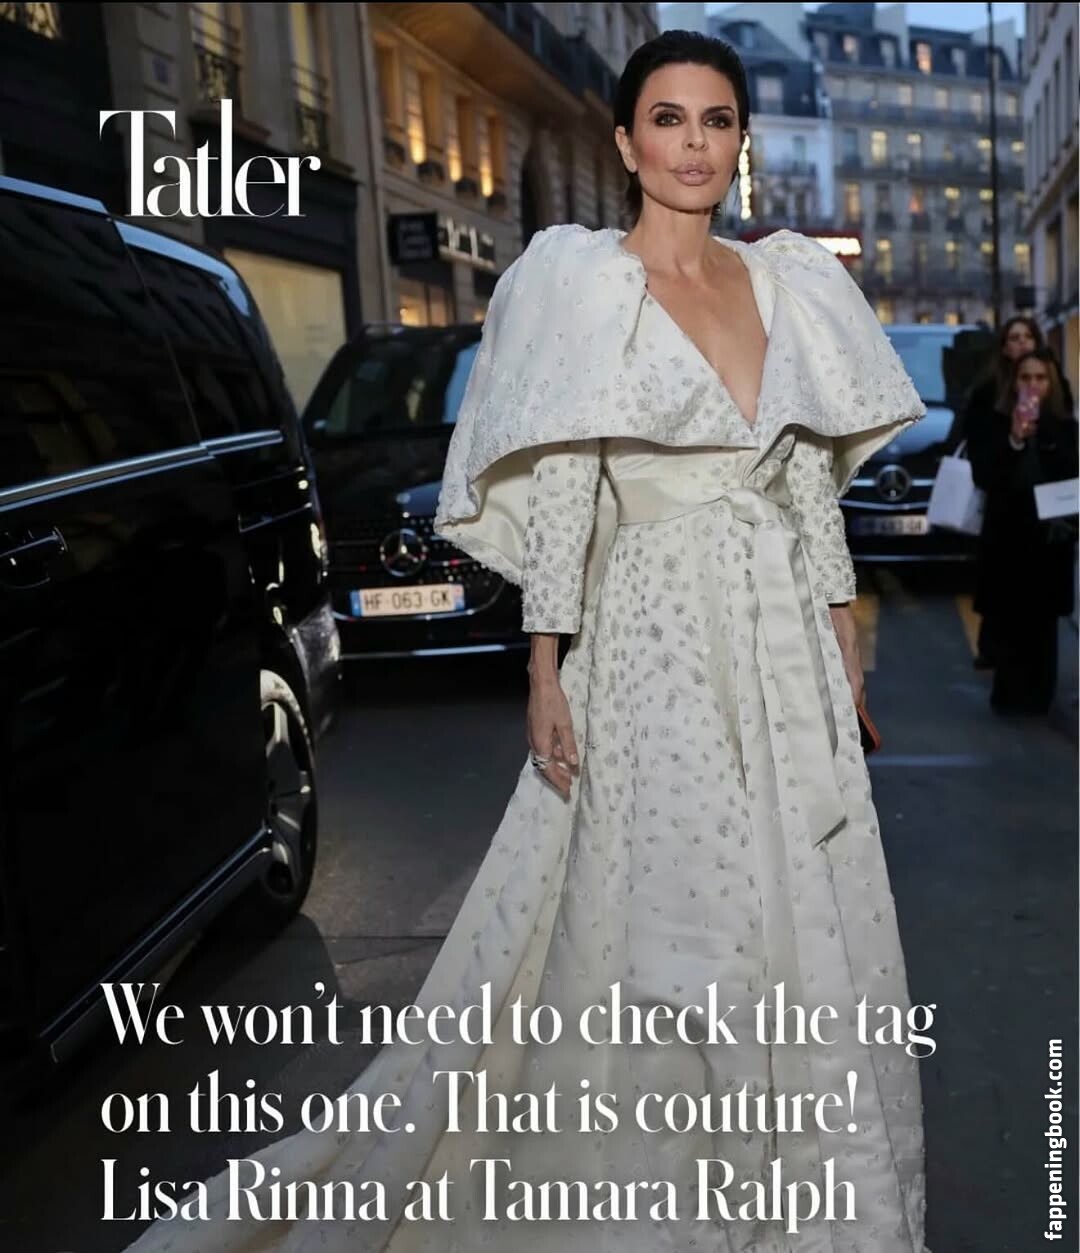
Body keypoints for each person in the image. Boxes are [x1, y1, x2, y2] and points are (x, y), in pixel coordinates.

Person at [123, 31, 931, 1253]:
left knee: (802, 901)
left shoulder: (788, 284)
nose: (694, 144)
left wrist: (841, 634)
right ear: (626, 142)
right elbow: (565, 488)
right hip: (653, 635)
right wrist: (546, 663)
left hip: (780, 638)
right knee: (679, 921)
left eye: (717, 120)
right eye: (669, 119)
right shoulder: (583, 283)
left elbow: (806, 487)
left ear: (740, 142)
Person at [967, 348, 1078, 715]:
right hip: (1008, 539)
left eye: (1040, 378)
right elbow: (985, 474)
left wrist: (1043, 433)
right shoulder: (998, 421)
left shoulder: (1063, 425)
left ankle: (1040, 696)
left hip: (1049, 540)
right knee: (1009, 619)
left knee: (1043, 626)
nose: (1033, 385)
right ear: (1014, 383)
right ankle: (1008, 695)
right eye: (1026, 378)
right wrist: (1014, 438)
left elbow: (1069, 470)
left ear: (1051, 384)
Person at [958, 316, 1046, 667]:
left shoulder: (1050, 384)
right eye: (1014, 337)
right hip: (1003, 504)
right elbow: (979, 447)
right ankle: (995, 650)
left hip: (1042, 506)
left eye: (1027, 336)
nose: (1022, 343)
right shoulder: (988, 392)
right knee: (1000, 585)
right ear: (1004, 346)